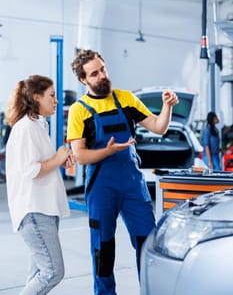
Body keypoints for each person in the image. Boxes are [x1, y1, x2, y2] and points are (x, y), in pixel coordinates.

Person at [66, 49, 179, 295]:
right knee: (103, 249)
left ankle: (152, 290)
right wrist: (107, 151)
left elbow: (159, 127)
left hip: (132, 183)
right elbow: (81, 155)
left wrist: (167, 106)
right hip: (101, 186)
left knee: (147, 242)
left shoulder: (126, 99)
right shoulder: (79, 110)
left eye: (103, 69)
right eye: (94, 74)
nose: (102, 76)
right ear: (84, 80)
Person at [5, 75, 73, 294]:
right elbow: (31, 170)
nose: (56, 101)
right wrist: (57, 158)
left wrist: (59, 160)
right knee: (52, 271)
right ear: (36, 97)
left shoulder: (38, 125)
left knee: (37, 275)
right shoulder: (25, 128)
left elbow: (42, 164)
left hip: (44, 209)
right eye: (52, 96)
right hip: (35, 211)